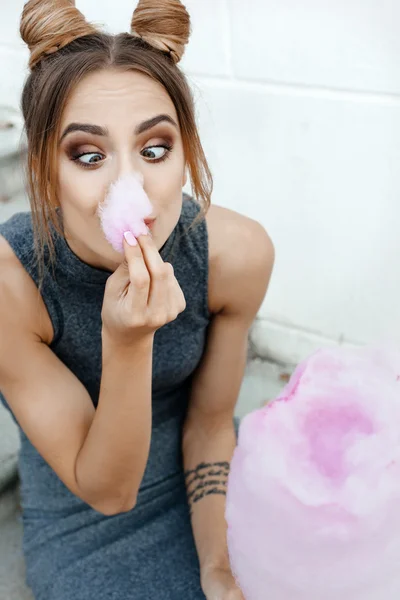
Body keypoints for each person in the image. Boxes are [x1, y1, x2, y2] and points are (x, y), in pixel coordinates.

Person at [0, 0, 274, 598]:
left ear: (185, 158)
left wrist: (218, 565)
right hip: (85, 497)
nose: (130, 184)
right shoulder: (9, 283)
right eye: (89, 155)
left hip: (203, 469)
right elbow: (108, 490)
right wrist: (127, 341)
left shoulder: (236, 254)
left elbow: (207, 423)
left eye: (154, 149)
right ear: (45, 171)